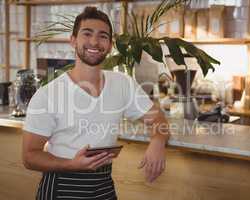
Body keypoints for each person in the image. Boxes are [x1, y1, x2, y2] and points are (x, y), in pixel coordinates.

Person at [22, 6, 169, 200]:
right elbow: (29, 156)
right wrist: (71, 165)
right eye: (87, 34)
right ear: (73, 41)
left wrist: (158, 141)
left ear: (109, 45)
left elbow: (158, 118)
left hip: (103, 185)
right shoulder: (48, 95)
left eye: (102, 36)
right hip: (62, 184)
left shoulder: (122, 83)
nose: (94, 41)